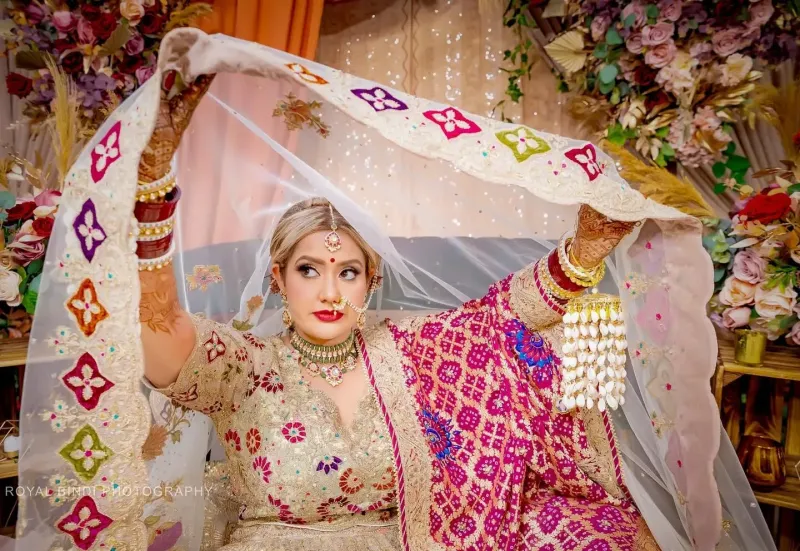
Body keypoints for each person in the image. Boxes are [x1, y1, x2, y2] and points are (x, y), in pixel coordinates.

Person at [10, 29, 773, 551]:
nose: (331, 289)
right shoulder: (247, 365)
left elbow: (503, 316)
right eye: (311, 269)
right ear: (278, 278)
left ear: (372, 281)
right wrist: (152, 189)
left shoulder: (410, 347)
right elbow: (158, 333)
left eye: (349, 270)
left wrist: (585, 249)